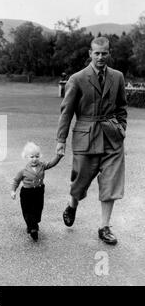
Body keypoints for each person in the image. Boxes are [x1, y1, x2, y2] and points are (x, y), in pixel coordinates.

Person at [56, 37, 128, 245]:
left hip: (112, 138)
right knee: (80, 181)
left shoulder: (118, 77)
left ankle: (104, 227)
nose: (100, 57)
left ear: (109, 53)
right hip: (85, 136)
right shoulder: (77, 79)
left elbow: (122, 107)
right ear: (90, 53)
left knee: (110, 183)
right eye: (96, 53)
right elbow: (66, 112)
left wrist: (121, 127)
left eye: (104, 53)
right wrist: (61, 139)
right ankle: (72, 204)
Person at [10, 142, 63, 241]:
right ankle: (32, 228)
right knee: (27, 211)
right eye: (31, 157)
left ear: (39, 156)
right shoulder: (23, 170)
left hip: (39, 191)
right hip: (27, 193)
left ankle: (33, 223)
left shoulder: (42, 166)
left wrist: (58, 156)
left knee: (38, 209)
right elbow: (16, 180)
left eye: (37, 156)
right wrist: (13, 191)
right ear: (26, 157)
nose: (34, 159)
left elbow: (51, 163)